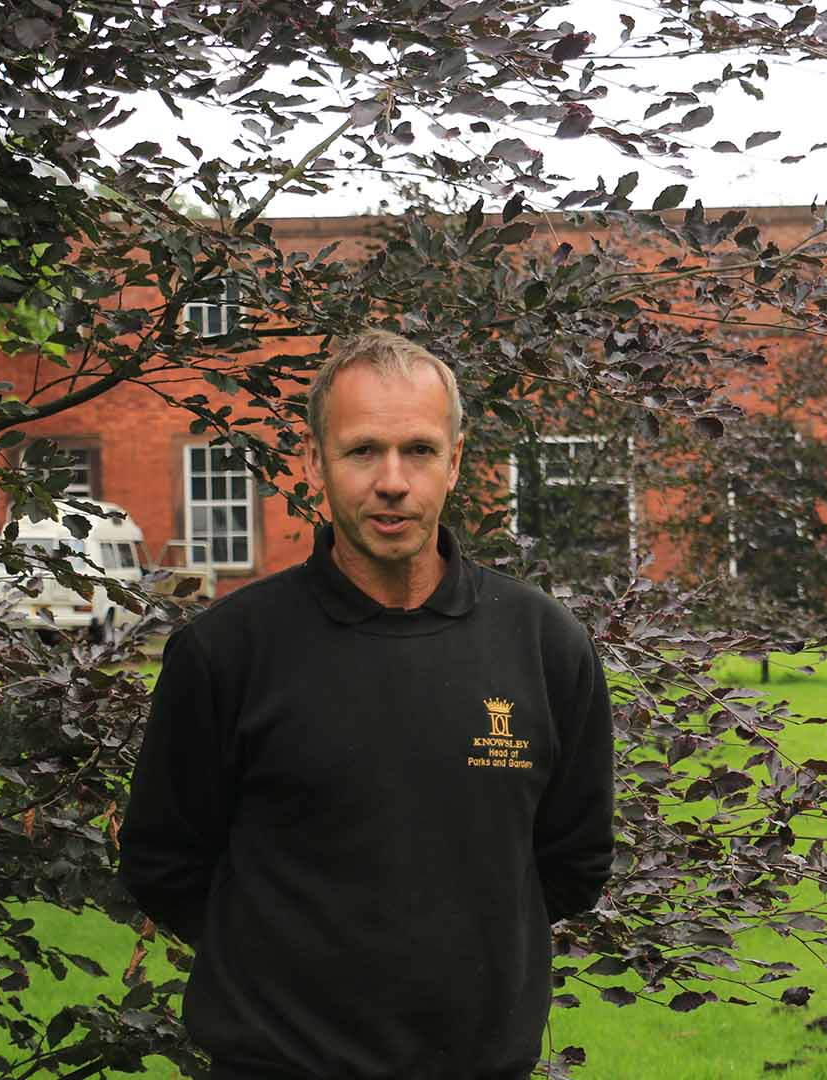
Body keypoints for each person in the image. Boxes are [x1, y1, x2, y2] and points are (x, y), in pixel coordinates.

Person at [119, 330, 615, 1079]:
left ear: (454, 460)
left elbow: (573, 862)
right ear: (315, 462)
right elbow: (165, 863)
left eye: (418, 450)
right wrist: (286, 985)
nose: (392, 480)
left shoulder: (544, 646)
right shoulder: (228, 653)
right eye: (362, 451)